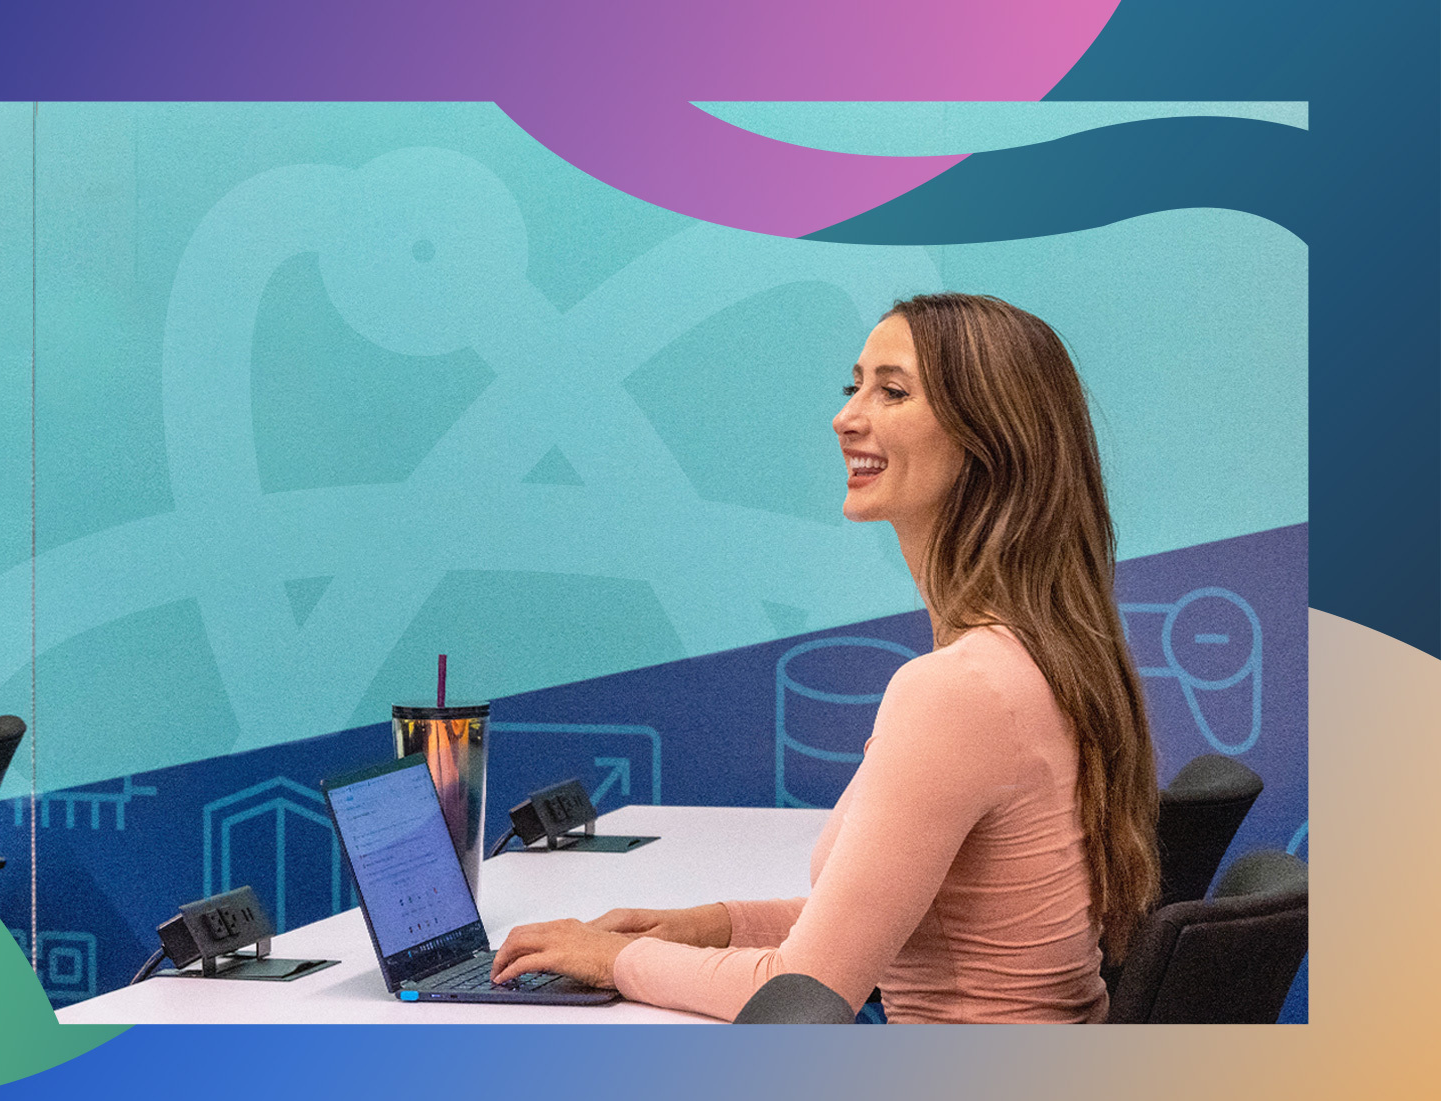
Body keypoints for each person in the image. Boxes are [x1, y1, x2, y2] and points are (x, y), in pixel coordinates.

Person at [491, 293, 1160, 1023]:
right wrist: (708, 924)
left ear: (989, 438)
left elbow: (801, 990)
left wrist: (614, 959)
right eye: (856, 386)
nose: (847, 417)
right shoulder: (1038, 659)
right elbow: (884, 926)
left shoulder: (959, 689)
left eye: (893, 391)